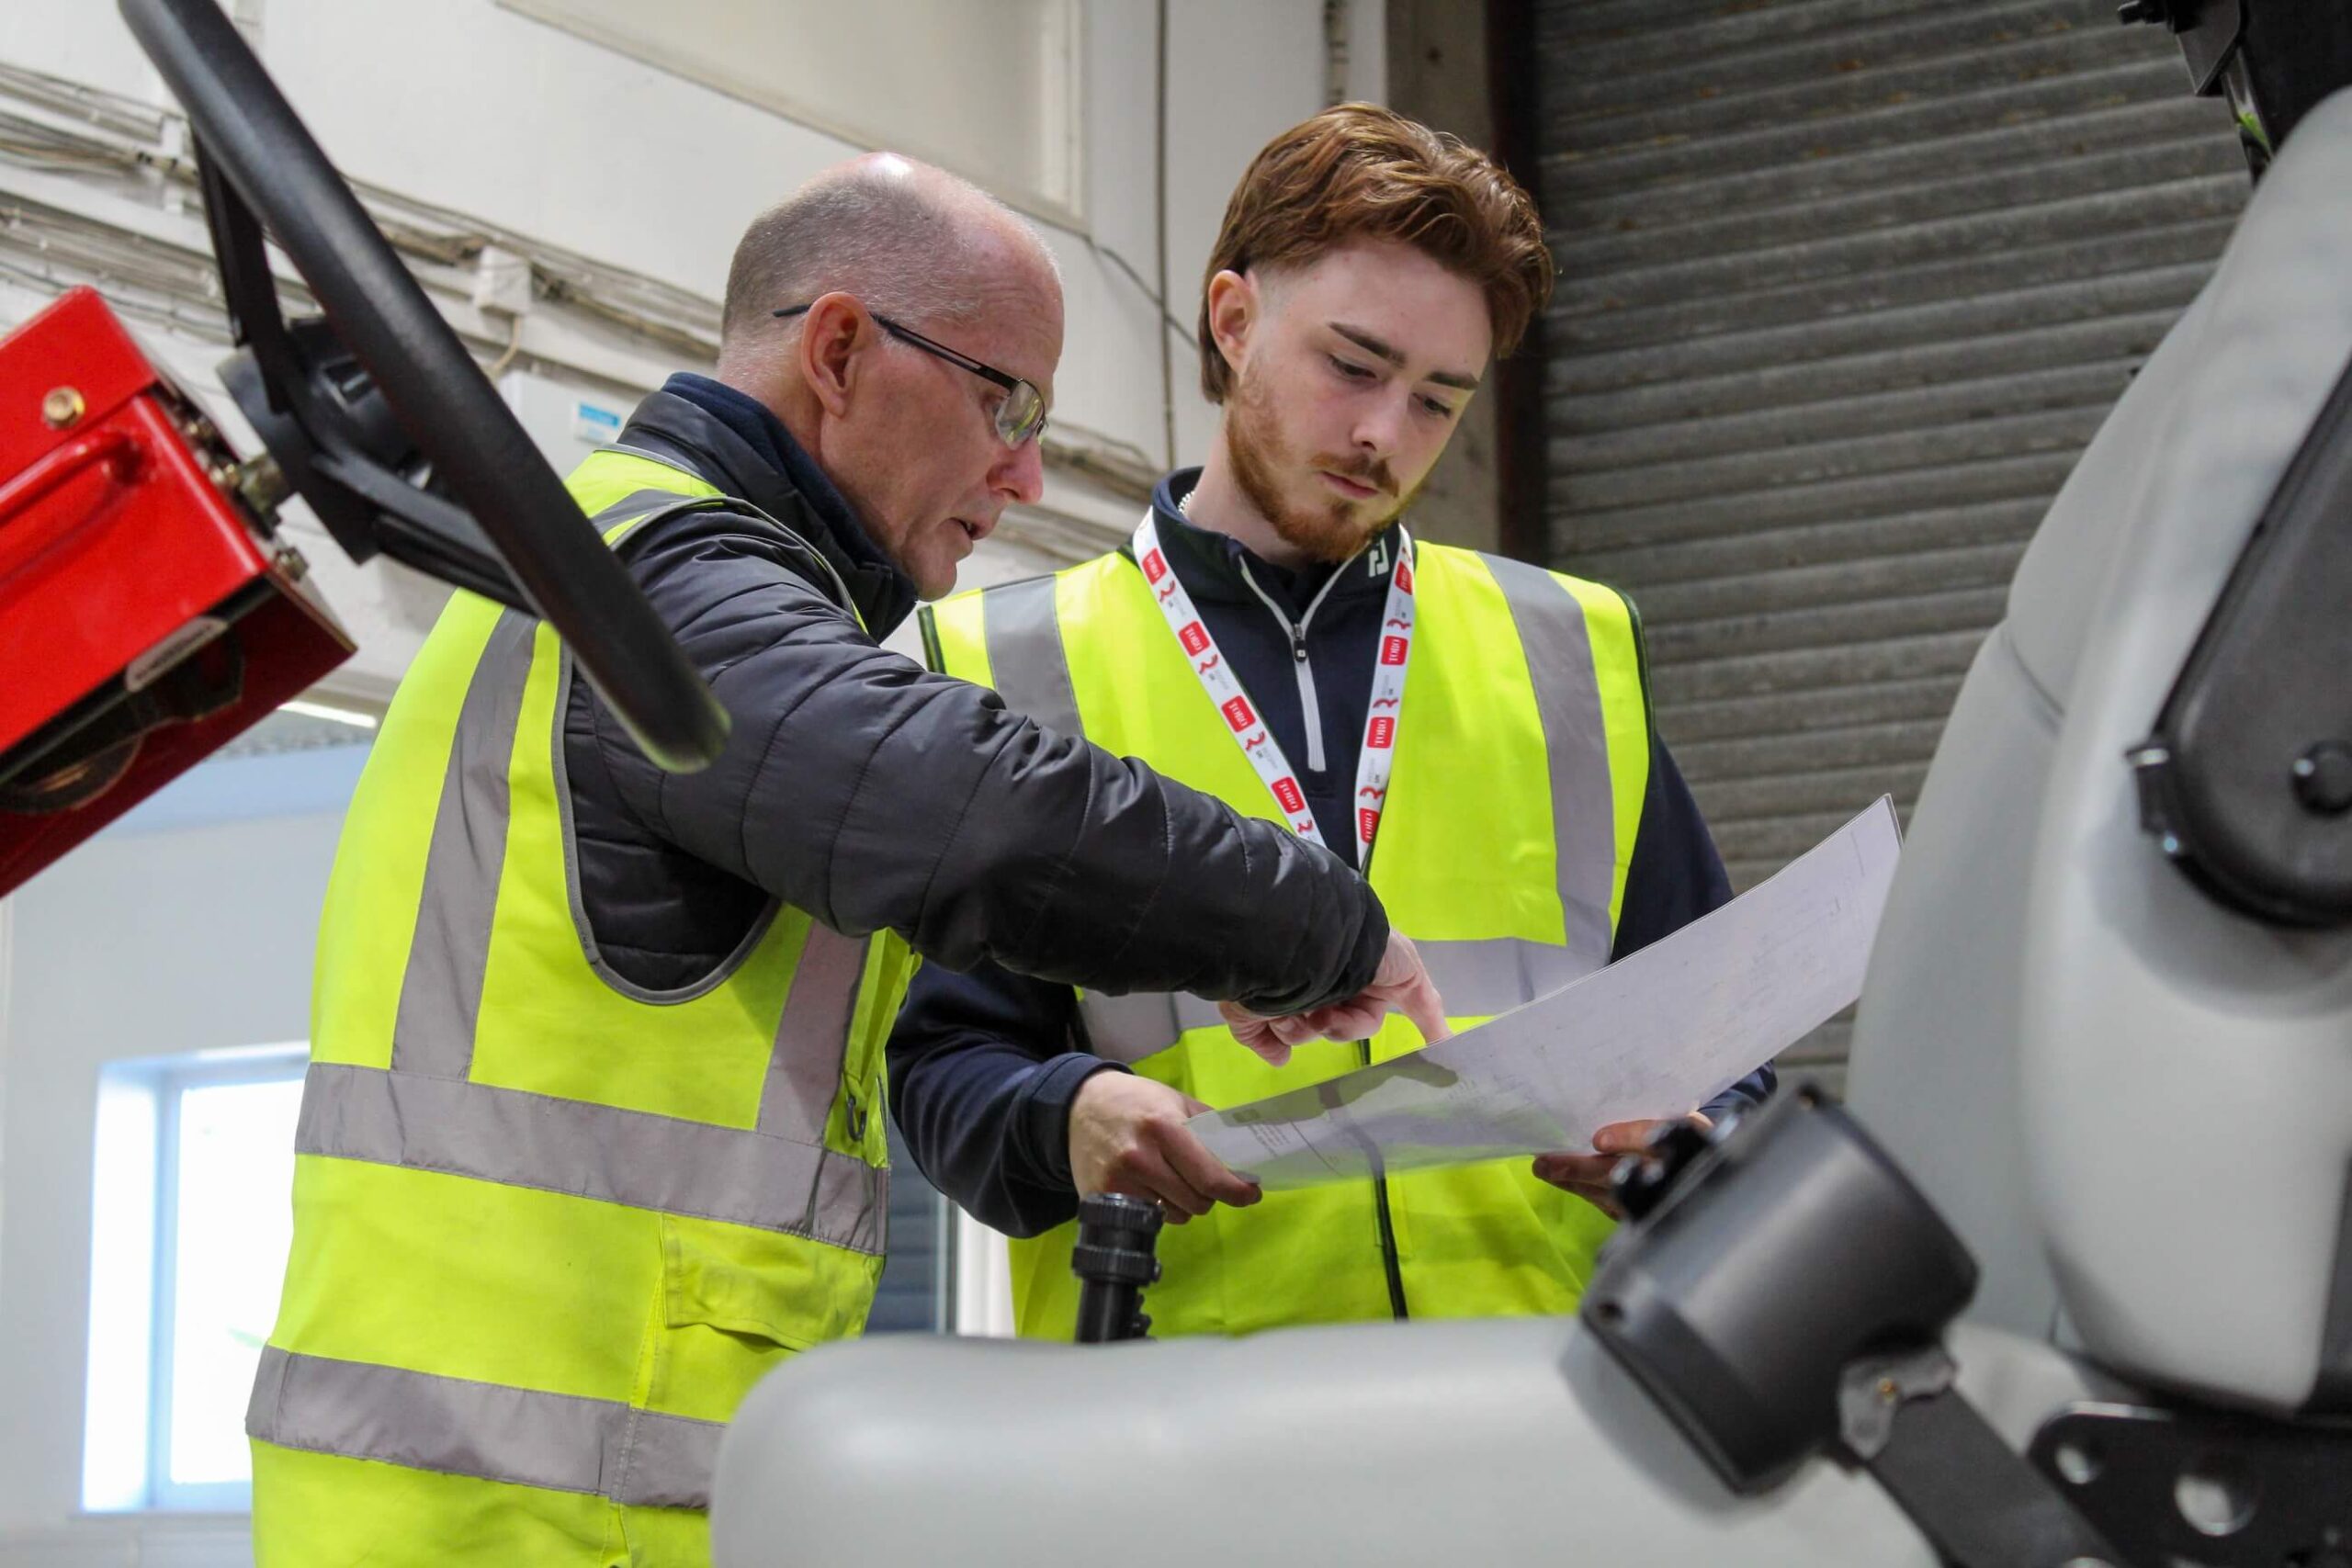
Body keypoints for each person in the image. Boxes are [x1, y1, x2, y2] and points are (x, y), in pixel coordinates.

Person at [244, 153, 1443, 1568]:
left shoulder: (616, 567)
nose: (1028, 469)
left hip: (523, 1491)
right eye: (1009, 402)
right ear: (838, 350)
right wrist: (1317, 927)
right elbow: (971, 815)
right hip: (531, 1509)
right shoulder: (660, 591)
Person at [892, 106, 1774, 1340]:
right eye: (1355, 368)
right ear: (1235, 318)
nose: (1384, 437)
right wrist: (1068, 1116)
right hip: (1191, 1437)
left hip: (1540, 1415)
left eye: (1437, 401)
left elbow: (1722, 1041)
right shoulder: (1011, 666)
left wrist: (1701, 1142)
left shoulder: (1570, 652)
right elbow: (940, 1072)